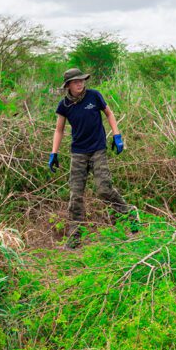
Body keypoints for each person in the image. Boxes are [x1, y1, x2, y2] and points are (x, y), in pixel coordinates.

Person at [48, 68, 133, 248]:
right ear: (68, 85)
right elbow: (59, 130)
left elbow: (109, 114)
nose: (80, 84)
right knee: (75, 195)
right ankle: (75, 237)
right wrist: (53, 153)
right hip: (78, 152)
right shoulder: (64, 105)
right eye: (76, 82)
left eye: (82, 80)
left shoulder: (94, 96)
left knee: (103, 189)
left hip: (98, 149)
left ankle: (129, 215)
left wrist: (117, 136)